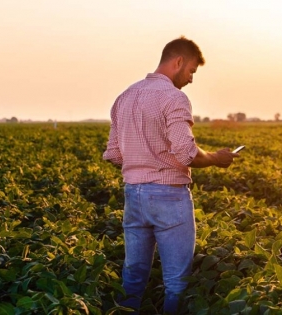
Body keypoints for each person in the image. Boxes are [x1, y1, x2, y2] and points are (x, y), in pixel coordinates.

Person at [102, 36, 239, 314]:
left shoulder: (124, 97)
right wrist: (216, 158)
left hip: (134, 195)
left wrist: (144, 161)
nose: (190, 79)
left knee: (133, 276)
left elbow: (114, 154)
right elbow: (186, 152)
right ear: (178, 62)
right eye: (191, 71)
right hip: (169, 197)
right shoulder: (174, 97)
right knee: (177, 281)